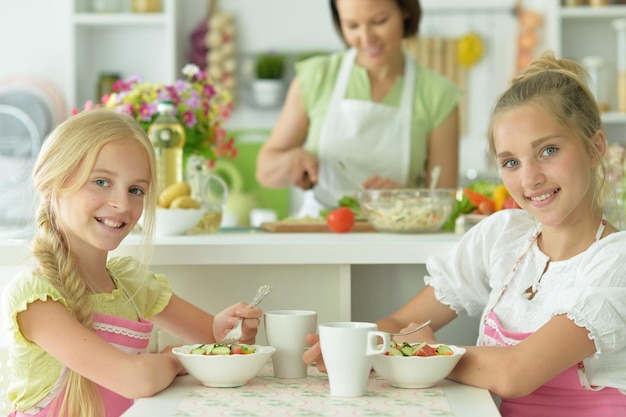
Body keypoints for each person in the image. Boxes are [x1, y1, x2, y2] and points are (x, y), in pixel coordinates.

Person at [303, 50, 626, 416]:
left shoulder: (616, 262)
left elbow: (515, 373)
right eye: (511, 162)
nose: (529, 178)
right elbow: (398, 324)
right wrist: (353, 346)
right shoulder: (504, 237)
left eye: (548, 150)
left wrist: (427, 354)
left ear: (595, 148)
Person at [1, 108, 263, 417]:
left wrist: (226, 330)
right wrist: (176, 359)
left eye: (135, 189)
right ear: (50, 185)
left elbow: (211, 340)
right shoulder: (35, 298)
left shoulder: (130, 283)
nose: (123, 204)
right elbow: (135, 379)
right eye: (100, 182)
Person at [256, 0, 462, 217]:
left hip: (399, 240)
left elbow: (444, 205)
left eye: (379, 21)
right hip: (318, 234)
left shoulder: (438, 94)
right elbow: (265, 172)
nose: (366, 37)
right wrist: (291, 161)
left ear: (405, 11)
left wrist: (407, 199)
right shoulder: (317, 77)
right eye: (352, 26)